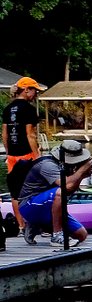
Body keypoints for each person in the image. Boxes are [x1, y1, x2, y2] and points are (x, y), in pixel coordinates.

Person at [18, 140, 92, 247]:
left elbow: (70, 190)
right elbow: (65, 187)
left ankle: (37, 224)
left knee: (81, 235)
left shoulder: (66, 165)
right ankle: (56, 236)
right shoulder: (47, 164)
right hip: (29, 204)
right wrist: (82, 170)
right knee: (60, 193)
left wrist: (82, 175)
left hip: (48, 203)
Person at [2, 77, 47, 229]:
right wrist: (37, 157)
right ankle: (38, 224)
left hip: (12, 157)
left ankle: (21, 225)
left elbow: (4, 135)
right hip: (27, 156)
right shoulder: (29, 109)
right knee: (36, 190)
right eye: (34, 90)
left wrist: (9, 153)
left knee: (15, 193)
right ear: (26, 90)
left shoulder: (8, 109)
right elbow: (31, 135)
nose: (35, 94)